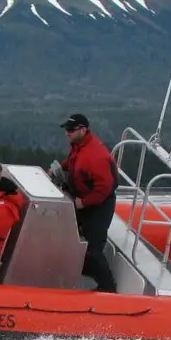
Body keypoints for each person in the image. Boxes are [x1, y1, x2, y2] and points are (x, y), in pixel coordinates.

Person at [59, 113, 118, 292]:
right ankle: (79, 276)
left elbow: (104, 189)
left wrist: (83, 203)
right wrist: (59, 168)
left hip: (99, 205)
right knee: (72, 240)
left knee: (93, 250)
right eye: (66, 130)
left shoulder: (96, 156)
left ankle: (108, 288)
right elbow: (72, 163)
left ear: (83, 130)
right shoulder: (78, 146)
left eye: (71, 130)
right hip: (83, 199)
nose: (67, 133)